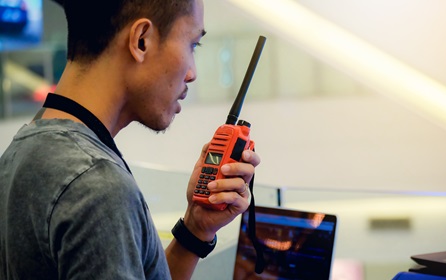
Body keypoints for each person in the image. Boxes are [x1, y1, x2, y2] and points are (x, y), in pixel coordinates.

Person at [0, 0, 260, 279]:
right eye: (192, 45)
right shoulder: (95, 187)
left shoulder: (21, 152)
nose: (192, 73)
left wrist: (196, 229)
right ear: (142, 40)